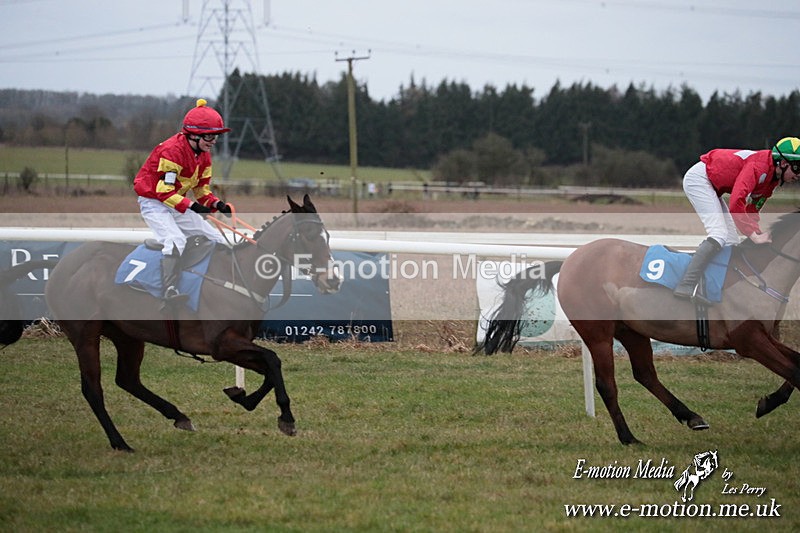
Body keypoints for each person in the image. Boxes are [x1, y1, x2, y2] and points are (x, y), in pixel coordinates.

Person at [673, 136, 800, 304]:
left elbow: (752, 210)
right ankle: (686, 285)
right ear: (783, 163)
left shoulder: (772, 180)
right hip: (700, 180)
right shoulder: (758, 166)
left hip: (713, 185)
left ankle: (712, 288)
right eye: (797, 168)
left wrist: (756, 233)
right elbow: (736, 202)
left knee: (731, 241)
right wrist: (753, 235)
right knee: (719, 234)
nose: (798, 175)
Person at [134, 98, 233, 306]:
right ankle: (168, 290)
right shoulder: (171, 151)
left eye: (216, 136)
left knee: (216, 238)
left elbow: (201, 190)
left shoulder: (204, 156)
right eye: (209, 136)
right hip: (154, 201)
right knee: (175, 239)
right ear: (193, 135)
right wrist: (194, 207)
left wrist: (217, 204)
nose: (213, 141)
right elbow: (164, 193)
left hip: (177, 202)